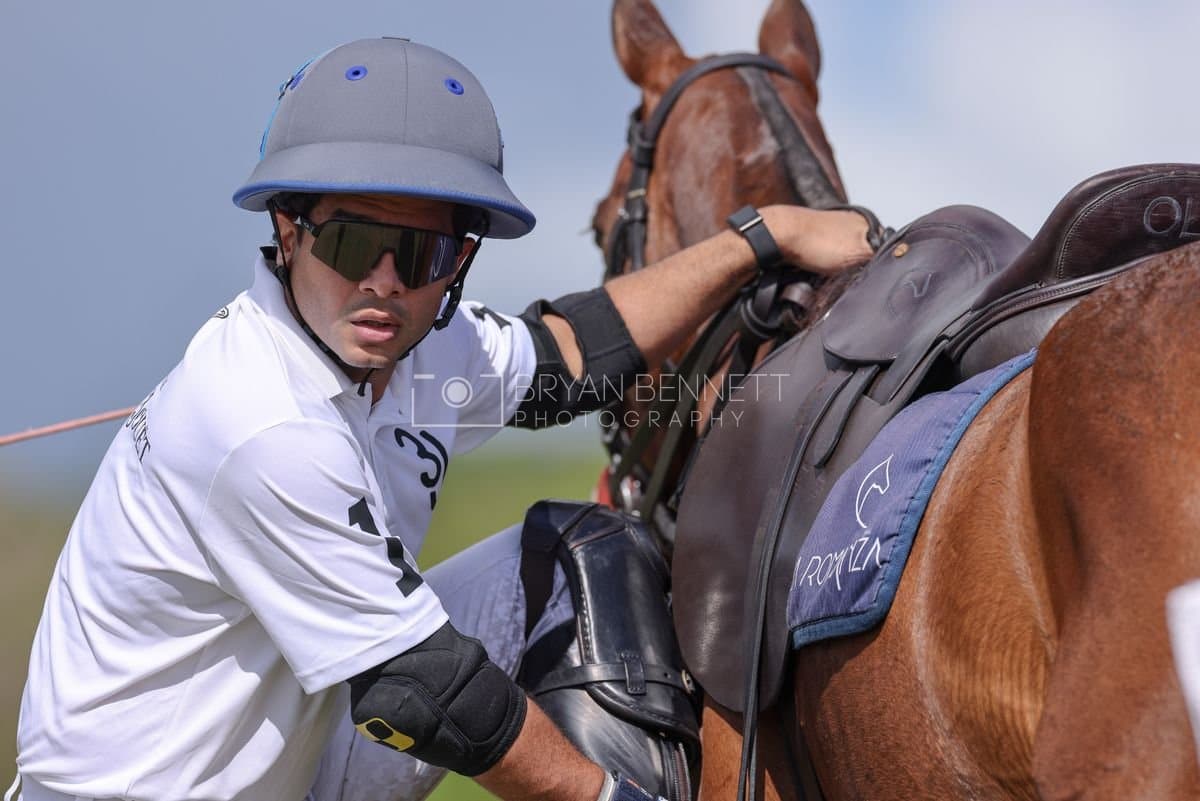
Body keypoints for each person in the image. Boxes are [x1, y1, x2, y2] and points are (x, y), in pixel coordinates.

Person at [9, 37, 871, 801]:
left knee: (581, 553)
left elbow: (570, 354)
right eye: (353, 244)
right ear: (289, 227)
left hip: (294, 760)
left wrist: (759, 238)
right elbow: (417, 685)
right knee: (437, 686)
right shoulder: (260, 425)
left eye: (419, 254)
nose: (384, 282)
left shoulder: (415, 345)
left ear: (459, 260)